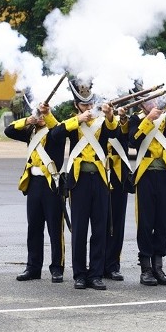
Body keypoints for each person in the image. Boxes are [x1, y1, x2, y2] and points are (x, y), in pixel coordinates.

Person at [48, 78, 117, 290]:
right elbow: (55, 135)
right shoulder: (73, 122)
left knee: (99, 229)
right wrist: (78, 120)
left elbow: (113, 133)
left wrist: (109, 115)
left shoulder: (101, 121)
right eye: (84, 105)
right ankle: (79, 274)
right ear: (77, 106)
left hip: (100, 180)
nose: (88, 107)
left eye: (90, 104)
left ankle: (95, 274)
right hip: (78, 182)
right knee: (79, 230)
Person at [128, 90, 166, 286]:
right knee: (146, 223)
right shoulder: (136, 119)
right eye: (149, 100)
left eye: (155, 98)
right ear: (142, 104)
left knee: (162, 222)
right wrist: (149, 119)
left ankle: (158, 266)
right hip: (145, 175)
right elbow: (133, 140)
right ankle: (145, 268)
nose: (154, 102)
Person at [3, 100, 66, 283]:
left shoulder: (57, 130)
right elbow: (9, 131)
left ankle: (57, 268)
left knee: (55, 229)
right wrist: (29, 120)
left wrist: (46, 114)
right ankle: (33, 267)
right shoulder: (31, 132)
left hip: (52, 183)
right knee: (34, 228)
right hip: (34, 184)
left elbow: (58, 130)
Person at [104, 105, 133, 282]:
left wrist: (122, 118)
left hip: (118, 175)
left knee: (117, 222)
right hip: (98, 173)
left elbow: (129, 139)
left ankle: (113, 265)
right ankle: (97, 263)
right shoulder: (94, 121)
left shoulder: (123, 121)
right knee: (99, 223)